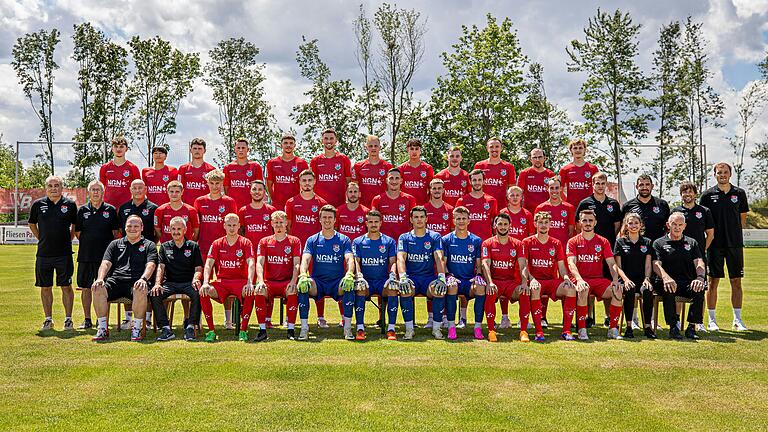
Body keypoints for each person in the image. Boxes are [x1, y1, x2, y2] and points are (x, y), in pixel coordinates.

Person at [91, 215, 157, 341]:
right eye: (129, 226)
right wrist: (100, 278)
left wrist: (143, 279)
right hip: (116, 281)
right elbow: (105, 263)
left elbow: (151, 265)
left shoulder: (149, 245)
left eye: (136, 226)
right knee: (97, 288)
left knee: (141, 288)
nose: (132, 229)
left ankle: (136, 329)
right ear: (124, 228)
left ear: (142, 228)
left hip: (136, 282)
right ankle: (103, 329)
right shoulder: (115, 244)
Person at [699, 162, 749, 331]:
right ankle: (712, 320)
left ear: (730, 174)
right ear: (714, 175)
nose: (722, 175)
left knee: (736, 281)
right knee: (713, 282)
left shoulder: (739, 193)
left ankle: (737, 319)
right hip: (715, 245)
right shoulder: (707, 195)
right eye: (719, 172)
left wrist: (734, 233)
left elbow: (742, 219)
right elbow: (704, 221)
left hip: (734, 245)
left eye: (725, 172)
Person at [199, 213, 261, 342]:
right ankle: (211, 331)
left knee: (250, 291)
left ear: (239, 226)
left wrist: (250, 281)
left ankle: (243, 330)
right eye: (229, 225)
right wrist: (205, 282)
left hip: (241, 281)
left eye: (234, 225)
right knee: (204, 292)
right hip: (222, 282)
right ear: (224, 226)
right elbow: (208, 264)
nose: (232, 228)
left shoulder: (245, 242)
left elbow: (251, 263)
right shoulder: (217, 243)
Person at [297, 205, 356, 341]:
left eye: (330, 217)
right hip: (318, 282)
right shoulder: (312, 240)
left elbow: (349, 259)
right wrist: (303, 274)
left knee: (349, 285)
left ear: (335, 220)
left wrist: (349, 274)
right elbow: (305, 259)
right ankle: (304, 328)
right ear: (320, 219)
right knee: (303, 286)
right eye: (324, 217)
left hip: (337, 282)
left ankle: (347, 328)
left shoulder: (343, 239)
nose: (327, 220)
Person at [29, 175, 78, 331]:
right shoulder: (38, 205)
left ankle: (68, 319)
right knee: (45, 287)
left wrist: (68, 240)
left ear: (62, 187)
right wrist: (41, 238)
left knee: (66, 286)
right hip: (43, 254)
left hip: (64, 254)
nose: (53, 188)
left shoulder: (70, 205)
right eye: (50, 185)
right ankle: (48, 319)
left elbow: (74, 226)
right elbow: (32, 224)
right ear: (46, 188)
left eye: (56, 185)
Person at [520, 211, 578, 341]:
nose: (543, 225)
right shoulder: (527, 242)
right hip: (535, 281)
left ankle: (567, 330)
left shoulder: (556, 243)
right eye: (540, 222)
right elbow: (524, 266)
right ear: (535, 224)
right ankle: (539, 332)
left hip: (552, 281)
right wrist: (532, 279)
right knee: (535, 288)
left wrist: (567, 278)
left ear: (551, 225)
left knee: (571, 288)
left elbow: (562, 267)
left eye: (546, 223)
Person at [566, 210, 623, 340]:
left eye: (590, 220)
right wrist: (579, 280)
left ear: (595, 222)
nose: (587, 223)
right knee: (583, 290)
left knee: (618, 290)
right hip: (581, 280)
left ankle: (613, 329)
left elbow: (612, 263)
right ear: (579, 223)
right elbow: (571, 263)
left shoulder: (603, 241)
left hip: (598, 280)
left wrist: (615, 279)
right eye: (584, 220)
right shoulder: (573, 241)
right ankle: (581, 328)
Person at [284, 170, 331, 326]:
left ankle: (320, 316)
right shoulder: (291, 202)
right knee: (295, 280)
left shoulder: (321, 203)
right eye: (304, 180)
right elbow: (288, 226)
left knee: (317, 279)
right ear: (299, 182)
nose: (307, 183)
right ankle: (289, 317)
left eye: (309, 180)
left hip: (317, 247)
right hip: (297, 249)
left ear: (314, 181)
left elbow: (325, 226)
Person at [194, 169, 239, 329]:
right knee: (201, 283)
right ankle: (197, 319)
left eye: (217, 183)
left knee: (226, 283)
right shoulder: (199, 201)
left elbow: (234, 225)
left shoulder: (229, 202)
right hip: (204, 248)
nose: (214, 186)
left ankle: (228, 320)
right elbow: (197, 226)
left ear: (222, 184)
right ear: (207, 183)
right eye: (212, 183)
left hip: (225, 250)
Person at [652, 212, 707, 340]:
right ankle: (673, 327)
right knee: (669, 287)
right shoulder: (659, 243)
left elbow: (699, 262)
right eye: (674, 224)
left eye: (680, 225)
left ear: (684, 226)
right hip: (665, 282)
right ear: (668, 225)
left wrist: (699, 278)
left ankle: (692, 327)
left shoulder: (692, 243)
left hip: (686, 281)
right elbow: (656, 265)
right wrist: (666, 278)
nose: (677, 227)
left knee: (699, 287)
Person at [74, 180, 120, 329]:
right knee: (86, 288)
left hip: (105, 259)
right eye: (93, 189)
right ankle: (87, 319)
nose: (95, 192)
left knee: (104, 288)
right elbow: (78, 232)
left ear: (103, 192)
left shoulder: (111, 210)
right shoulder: (82, 210)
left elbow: (115, 232)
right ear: (89, 192)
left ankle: (103, 320)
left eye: (98, 190)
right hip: (86, 256)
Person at [396, 206, 446, 340]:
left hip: (428, 279)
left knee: (438, 290)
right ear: (411, 220)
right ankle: (409, 329)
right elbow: (400, 257)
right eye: (416, 217)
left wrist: (441, 277)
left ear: (426, 219)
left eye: (422, 217)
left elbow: (438, 257)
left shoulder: (434, 236)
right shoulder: (404, 237)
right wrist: (402, 277)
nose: (419, 220)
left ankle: (436, 329)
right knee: (405, 290)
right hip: (411, 278)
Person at [149, 216, 202, 342]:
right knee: (155, 294)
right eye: (173, 229)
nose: (176, 231)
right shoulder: (164, 247)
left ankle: (190, 326)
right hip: (170, 283)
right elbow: (160, 267)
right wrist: (157, 283)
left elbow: (198, 268)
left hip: (188, 282)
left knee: (198, 293)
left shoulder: (193, 246)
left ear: (185, 230)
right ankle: (166, 328)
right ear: (169, 230)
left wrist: (195, 279)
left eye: (179, 229)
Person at [351, 210, 398, 340]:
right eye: (370, 222)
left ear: (381, 223)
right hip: (366, 281)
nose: (373, 224)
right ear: (366, 223)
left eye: (376, 222)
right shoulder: (358, 241)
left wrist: (392, 275)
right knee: (359, 288)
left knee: (393, 288)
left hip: (382, 281)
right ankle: (360, 328)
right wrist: (359, 275)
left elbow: (393, 262)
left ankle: (391, 329)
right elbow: (356, 261)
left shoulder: (389, 241)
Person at [481, 213, 528, 342]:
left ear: (510, 226)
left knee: (524, 292)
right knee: (490, 291)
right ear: (495, 225)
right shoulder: (487, 243)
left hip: (511, 284)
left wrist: (524, 283)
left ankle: (523, 331)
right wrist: (489, 282)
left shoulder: (517, 244)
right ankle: (491, 330)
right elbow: (485, 264)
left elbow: (523, 265)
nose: (502, 227)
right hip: (495, 282)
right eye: (500, 224)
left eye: (505, 224)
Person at [256, 211, 303, 340]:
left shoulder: (294, 241)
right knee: (259, 291)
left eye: (281, 223)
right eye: (276, 223)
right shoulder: (264, 241)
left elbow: (296, 264)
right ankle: (262, 330)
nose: (278, 226)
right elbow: (259, 263)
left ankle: (291, 330)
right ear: (271, 224)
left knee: (293, 291)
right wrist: (260, 281)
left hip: (286, 282)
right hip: (269, 282)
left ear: (286, 223)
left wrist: (293, 281)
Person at [443, 207, 484, 339]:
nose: (461, 221)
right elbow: (443, 263)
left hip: (468, 281)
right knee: (452, 286)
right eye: (458, 218)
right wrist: (448, 276)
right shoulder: (446, 240)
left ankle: (478, 327)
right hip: (453, 280)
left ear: (469, 220)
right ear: (453, 220)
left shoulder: (476, 240)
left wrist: (478, 276)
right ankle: (451, 327)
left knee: (480, 287)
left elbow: (478, 265)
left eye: (463, 219)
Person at [613, 212, 656, 339]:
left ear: (641, 225)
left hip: (642, 279)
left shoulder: (647, 242)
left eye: (636, 223)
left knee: (648, 290)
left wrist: (647, 279)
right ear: (626, 225)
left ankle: (648, 327)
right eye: (630, 223)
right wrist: (626, 280)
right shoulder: (620, 242)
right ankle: (629, 327)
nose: (633, 225)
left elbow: (648, 265)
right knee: (630, 289)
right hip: (625, 280)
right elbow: (617, 266)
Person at [620, 174, 670, 243]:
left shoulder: (662, 204)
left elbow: (668, 227)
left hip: (657, 247)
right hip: (635, 247)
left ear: (652, 186)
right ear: (637, 187)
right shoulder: (627, 206)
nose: (644, 187)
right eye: (641, 185)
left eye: (647, 184)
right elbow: (622, 229)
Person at [370, 168, 417, 240]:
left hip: (404, 242)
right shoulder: (377, 199)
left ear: (401, 181)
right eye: (391, 178)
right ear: (386, 180)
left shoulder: (410, 199)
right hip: (383, 243)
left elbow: (415, 221)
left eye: (397, 178)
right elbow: (373, 222)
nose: (394, 181)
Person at [266, 133, 309, 211]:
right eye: (285, 143)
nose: (288, 145)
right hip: (278, 205)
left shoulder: (302, 163)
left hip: (296, 204)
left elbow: (306, 184)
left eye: (291, 143)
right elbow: (269, 184)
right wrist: (274, 199)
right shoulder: (272, 163)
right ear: (281, 145)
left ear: (294, 145)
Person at [310, 128, 352, 207]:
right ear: (322, 141)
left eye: (331, 138)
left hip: (339, 205)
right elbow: (311, 183)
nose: (329, 141)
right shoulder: (315, 161)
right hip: (319, 206)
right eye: (326, 138)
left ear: (336, 141)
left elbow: (348, 182)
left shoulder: (344, 159)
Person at [455, 169, 498, 240]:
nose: (477, 182)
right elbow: (456, 223)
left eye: (479, 180)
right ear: (470, 181)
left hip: (485, 241)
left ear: (484, 181)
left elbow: (494, 223)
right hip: (467, 241)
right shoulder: (462, 201)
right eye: (474, 180)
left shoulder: (492, 201)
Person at [473, 137, 517, 208]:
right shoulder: (479, 165)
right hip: (483, 205)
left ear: (501, 148)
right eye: (491, 147)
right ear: (487, 148)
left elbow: (512, 189)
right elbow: (474, 187)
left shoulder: (509, 166)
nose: (494, 149)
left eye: (497, 147)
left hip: (502, 206)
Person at [351, 135, 393, 208]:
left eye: (376, 146)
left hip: (382, 207)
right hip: (363, 207)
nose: (373, 148)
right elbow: (354, 188)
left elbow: (391, 189)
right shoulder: (358, 166)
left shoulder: (388, 166)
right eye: (370, 146)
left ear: (380, 147)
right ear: (366, 148)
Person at [99, 136, 140, 208]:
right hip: (108, 207)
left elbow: (138, 189)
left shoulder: (133, 168)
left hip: (127, 207)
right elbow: (101, 188)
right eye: (115, 146)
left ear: (126, 149)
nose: (118, 149)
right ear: (112, 149)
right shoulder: (104, 167)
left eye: (121, 147)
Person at [224, 138, 265, 209]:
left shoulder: (255, 166)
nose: (240, 150)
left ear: (248, 150)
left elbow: (260, 188)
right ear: (235, 149)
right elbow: (226, 188)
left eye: (243, 148)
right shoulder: (228, 167)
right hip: (233, 207)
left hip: (251, 207)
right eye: (238, 148)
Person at [535, 176, 575, 246]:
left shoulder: (569, 208)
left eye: (557, 188)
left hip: (563, 246)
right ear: (547, 189)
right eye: (551, 188)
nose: (554, 191)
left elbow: (571, 232)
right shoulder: (541, 208)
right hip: (546, 246)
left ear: (561, 189)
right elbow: (538, 231)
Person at [559, 138, 599, 208]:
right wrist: (566, 202)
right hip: (572, 207)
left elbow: (598, 188)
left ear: (584, 150)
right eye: (575, 148)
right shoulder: (565, 169)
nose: (578, 150)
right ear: (571, 150)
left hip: (589, 206)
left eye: (580, 148)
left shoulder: (593, 168)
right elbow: (559, 190)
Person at [238, 180, 276, 249]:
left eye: (260, 189)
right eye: (254, 189)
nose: (257, 192)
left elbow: (275, 232)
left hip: (267, 251)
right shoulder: (243, 211)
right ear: (250, 191)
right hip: (249, 251)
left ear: (264, 192)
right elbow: (240, 232)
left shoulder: (271, 210)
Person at [178, 138, 216, 206]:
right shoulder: (183, 168)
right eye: (195, 148)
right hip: (187, 206)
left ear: (204, 151)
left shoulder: (211, 170)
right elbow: (178, 188)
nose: (197, 151)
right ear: (190, 150)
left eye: (200, 148)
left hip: (205, 206)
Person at [398, 139, 434, 205]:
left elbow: (431, 188)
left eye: (417, 149)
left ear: (420, 151)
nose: (414, 151)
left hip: (423, 205)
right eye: (411, 149)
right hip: (405, 205)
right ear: (407, 150)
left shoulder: (428, 168)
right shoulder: (401, 168)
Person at [517, 148, 554, 213]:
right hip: (528, 212)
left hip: (546, 212)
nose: (537, 160)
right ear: (530, 159)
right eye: (534, 157)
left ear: (544, 158)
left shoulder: (550, 174)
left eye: (540, 157)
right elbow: (519, 193)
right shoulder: (524, 173)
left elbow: (554, 194)